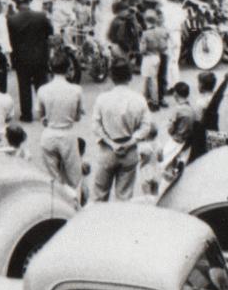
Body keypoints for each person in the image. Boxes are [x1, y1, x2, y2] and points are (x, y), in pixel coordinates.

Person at [91, 59, 154, 202]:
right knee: (124, 197)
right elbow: (146, 127)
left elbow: (95, 126)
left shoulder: (102, 99)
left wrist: (111, 143)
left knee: (99, 195)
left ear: (112, 76)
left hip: (107, 150)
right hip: (129, 150)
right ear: (130, 77)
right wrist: (130, 142)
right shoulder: (139, 99)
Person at [37, 52, 87, 203]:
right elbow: (77, 116)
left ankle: (56, 206)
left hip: (49, 134)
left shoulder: (43, 90)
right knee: (74, 178)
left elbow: (41, 115)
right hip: (67, 133)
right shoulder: (76, 90)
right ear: (68, 69)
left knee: (53, 179)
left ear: (51, 68)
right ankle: (74, 207)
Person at [7, 0, 52, 122]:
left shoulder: (11, 19)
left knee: (24, 86)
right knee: (42, 85)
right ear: (28, 2)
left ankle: (26, 114)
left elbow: (10, 39)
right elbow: (50, 32)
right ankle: (45, 113)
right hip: (40, 56)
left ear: (17, 5)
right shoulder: (41, 16)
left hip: (21, 58)